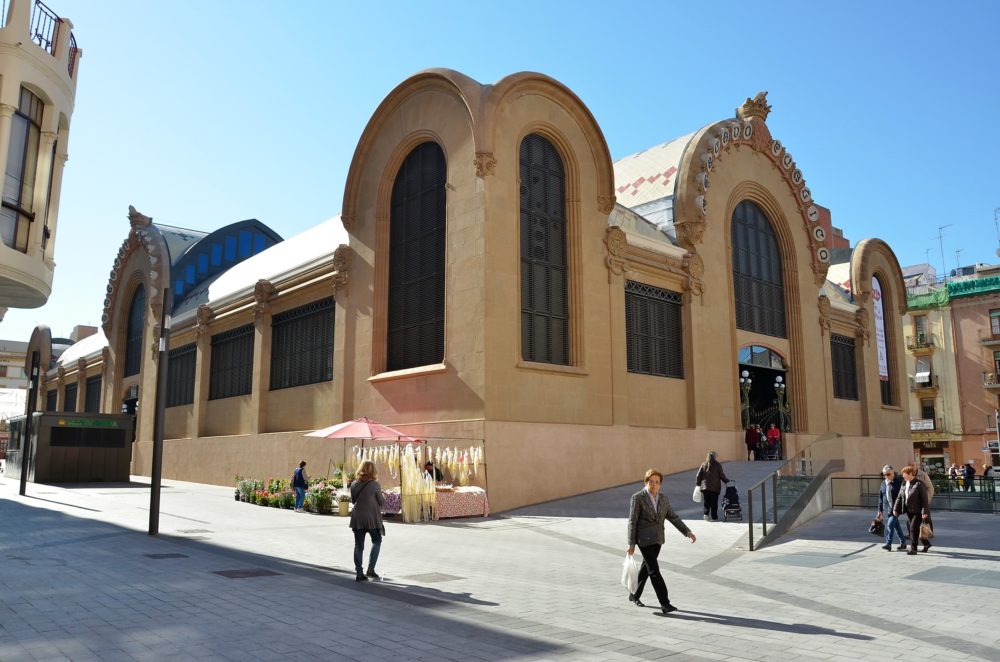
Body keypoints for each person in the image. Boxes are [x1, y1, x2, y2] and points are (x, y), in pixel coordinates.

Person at [627, 469, 696, 615]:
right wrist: (631, 543)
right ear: (646, 482)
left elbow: (673, 517)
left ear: (660, 484)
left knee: (646, 568)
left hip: (658, 539)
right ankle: (665, 603)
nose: (654, 484)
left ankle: (634, 595)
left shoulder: (663, 499)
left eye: (657, 482)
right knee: (654, 570)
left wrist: (687, 532)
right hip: (644, 539)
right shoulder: (637, 498)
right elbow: (632, 522)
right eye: (651, 481)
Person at [350, 459, 386, 582]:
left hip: (358, 517)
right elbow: (381, 502)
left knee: (358, 545)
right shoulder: (375, 484)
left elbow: (353, 500)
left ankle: (359, 572)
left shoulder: (354, 484)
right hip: (372, 517)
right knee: (377, 540)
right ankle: (371, 569)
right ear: (373, 470)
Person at [875, 465, 907, 551]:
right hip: (888, 509)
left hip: (897, 508)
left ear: (893, 473)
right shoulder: (883, 483)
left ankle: (888, 544)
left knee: (890, 525)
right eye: (884, 474)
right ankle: (903, 543)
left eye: (888, 474)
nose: (886, 476)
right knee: (896, 526)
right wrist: (880, 510)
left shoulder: (898, 482)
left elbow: (903, 496)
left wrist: (899, 508)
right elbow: (880, 498)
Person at [694, 451, 730, 521]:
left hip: (705, 487)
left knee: (706, 502)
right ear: (715, 457)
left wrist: (698, 484)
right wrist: (726, 481)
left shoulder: (704, 464)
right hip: (715, 488)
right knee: (714, 502)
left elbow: (698, 475)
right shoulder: (717, 465)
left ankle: (706, 514)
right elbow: (721, 475)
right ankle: (714, 516)